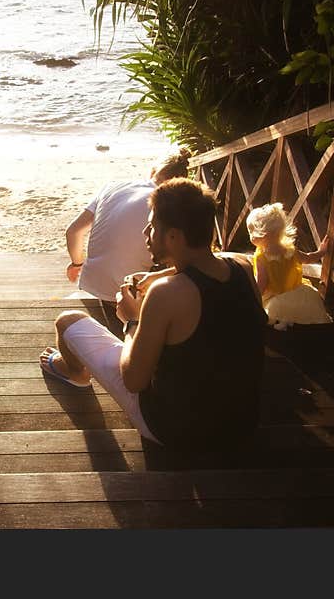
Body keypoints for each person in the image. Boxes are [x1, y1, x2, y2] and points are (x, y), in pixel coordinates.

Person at [40, 178, 267, 455]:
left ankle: (72, 371)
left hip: (174, 431)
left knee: (68, 322)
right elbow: (217, 259)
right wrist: (161, 272)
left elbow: (134, 380)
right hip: (241, 427)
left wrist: (131, 321)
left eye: (152, 226)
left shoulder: (167, 294)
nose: (146, 232)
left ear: (173, 236)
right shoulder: (243, 267)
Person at [64, 153, 189, 337]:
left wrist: (77, 263)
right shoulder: (169, 203)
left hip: (96, 283)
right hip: (132, 292)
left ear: (152, 172)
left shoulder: (112, 186)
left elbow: (73, 232)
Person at [246, 202, 331, 327]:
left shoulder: (261, 257)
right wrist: (321, 252)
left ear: (261, 235)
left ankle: (283, 326)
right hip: (299, 293)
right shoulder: (290, 249)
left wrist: (251, 299)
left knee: (273, 315)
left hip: (277, 300)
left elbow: (261, 285)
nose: (250, 236)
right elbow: (308, 258)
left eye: (251, 232)